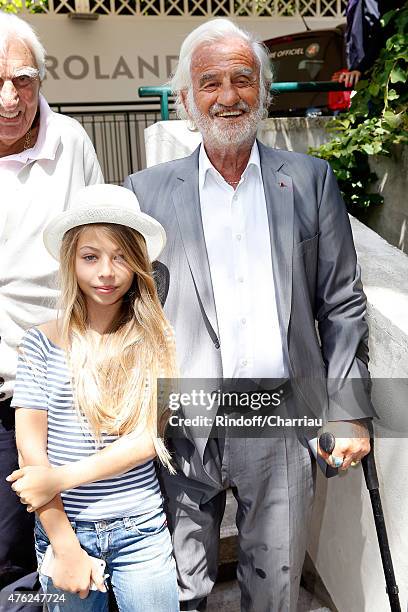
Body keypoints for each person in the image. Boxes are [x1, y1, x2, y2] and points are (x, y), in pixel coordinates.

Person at [122, 18, 376, 612]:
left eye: (243, 80)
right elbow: (127, 313)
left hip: (282, 418)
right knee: (179, 589)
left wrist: (349, 410)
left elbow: (341, 303)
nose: (229, 96)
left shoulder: (310, 181)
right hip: (182, 426)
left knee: (277, 589)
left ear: (263, 92)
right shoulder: (145, 192)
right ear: (186, 99)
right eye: (210, 82)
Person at [7, 184, 179, 612]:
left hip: (140, 529)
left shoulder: (158, 339)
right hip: (64, 528)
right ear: (71, 261)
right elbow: (32, 453)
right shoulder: (38, 344)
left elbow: (146, 439)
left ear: (139, 263)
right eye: (91, 256)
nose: (106, 271)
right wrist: (64, 546)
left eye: (121, 256)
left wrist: (60, 478)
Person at [0, 12, 103, 603]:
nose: (10, 99)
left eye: (24, 79)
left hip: (56, 384)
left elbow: (96, 248)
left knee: (65, 539)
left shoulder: (70, 142)